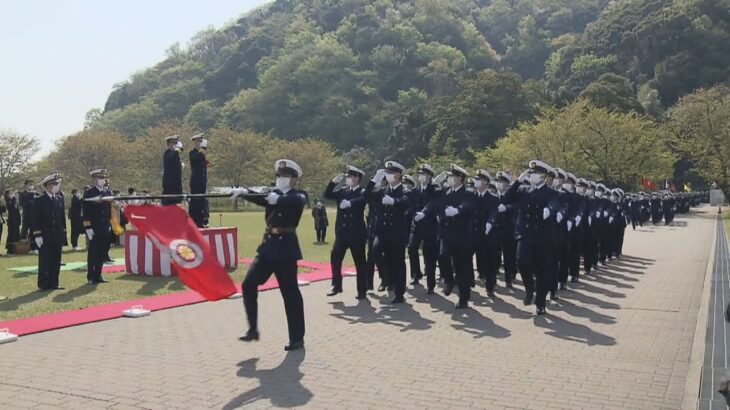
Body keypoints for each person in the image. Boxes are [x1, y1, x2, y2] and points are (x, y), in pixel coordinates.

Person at [232, 159, 307, 351]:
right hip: (267, 248)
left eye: (286, 176)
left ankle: (297, 338)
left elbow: (297, 202)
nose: (281, 179)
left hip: (286, 250)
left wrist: (279, 199)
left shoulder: (298, 195)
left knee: (290, 294)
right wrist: (244, 193)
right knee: (248, 284)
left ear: (293, 179)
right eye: (280, 176)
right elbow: (260, 197)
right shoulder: (270, 194)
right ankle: (252, 329)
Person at [503, 160, 560, 315]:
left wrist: (549, 210)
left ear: (542, 176)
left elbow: (554, 203)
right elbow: (505, 198)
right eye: (530, 173)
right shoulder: (523, 190)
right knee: (522, 262)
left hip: (543, 237)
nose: (532, 176)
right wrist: (517, 181)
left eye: (534, 173)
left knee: (542, 271)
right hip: (525, 235)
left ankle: (540, 304)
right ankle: (529, 287)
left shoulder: (551, 193)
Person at [364, 161, 411, 304]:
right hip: (382, 232)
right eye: (387, 173)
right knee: (376, 251)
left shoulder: (405, 191)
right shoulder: (383, 190)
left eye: (391, 172)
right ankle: (385, 277)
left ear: (398, 174)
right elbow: (367, 196)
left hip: (397, 233)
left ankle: (399, 293)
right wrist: (373, 181)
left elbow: (406, 203)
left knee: (397, 262)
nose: (389, 175)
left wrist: (394, 202)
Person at [324, 165, 368, 299]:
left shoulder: (362, 191)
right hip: (342, 233)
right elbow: (327, 195)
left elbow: (362, 200)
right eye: (347, 176)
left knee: (360, 262)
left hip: (356, 233)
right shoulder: (342, 191)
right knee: (335, 257)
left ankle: (362, 290)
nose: (348, 179)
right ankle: (336, 285)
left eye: (350, 176)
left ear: (357, 178)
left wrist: (350, 203)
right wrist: (332, 183)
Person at [433, 164, 474, 308]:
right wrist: (435, 181)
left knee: (461, 267)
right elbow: (430, 193)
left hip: (461, 236)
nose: (450, 179)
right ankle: (449, 280)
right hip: (446, 233)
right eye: (449, 176)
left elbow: (468, 205)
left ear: (460, 179)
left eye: (453, 176)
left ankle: (464, 298)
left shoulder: (468, 193)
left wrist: (458, 210)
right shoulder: (445, 191)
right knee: (442, 257)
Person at [407, 165, 441, 293]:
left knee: (429, 255)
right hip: (416, 226)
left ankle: (430, 284)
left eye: (425, 174)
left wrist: (424, 212)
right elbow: (410, 203)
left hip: (429, 227)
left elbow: (433, 203)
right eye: (420, 174)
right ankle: (416, 274)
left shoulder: (434, 190)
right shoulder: (415, 191)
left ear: (429, 177)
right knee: (411, 248)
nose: (421, 176)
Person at [31, 173, 67, 291]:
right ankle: (43, 283)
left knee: (56, 260)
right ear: (48, 186)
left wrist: (63, 235)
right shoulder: (39, 200)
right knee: (45, 260)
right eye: (55, 184)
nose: (57, 186)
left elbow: (62, 219)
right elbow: (35, 218)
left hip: (56, 235)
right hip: (45, 235)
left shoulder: (60, 199)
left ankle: (54, 283)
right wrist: (37, 234)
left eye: (58, 184)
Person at [472, 169, 500, 298]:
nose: (477, 182)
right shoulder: (472, 196)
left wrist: (490, 222)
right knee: (465, 258)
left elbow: (495, 212)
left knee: (490, 263)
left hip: (488, 234)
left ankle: (490, 287)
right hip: (474, 232)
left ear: (486, 182)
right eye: (476, 179)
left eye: (480, 180)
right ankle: (468, 281)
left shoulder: (493, 198)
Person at [83, 169, 112, 285]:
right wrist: (88, 227)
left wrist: (110, 224)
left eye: (103, 178)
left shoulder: (107, 192)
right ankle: (91, 276)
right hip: (94, 227)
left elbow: (109, 210)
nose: (102, 180)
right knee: (93, 252)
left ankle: (98, 274)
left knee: (102, 252)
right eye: (100, 178)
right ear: (94, 179)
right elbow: (85, 211)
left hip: (105, 226)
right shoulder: (89, 193)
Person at [493, 171, 518, 288]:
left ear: (507, 184)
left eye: (502, 182)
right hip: (495, 230)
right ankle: (492, 279)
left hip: (508, 230)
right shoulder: (493, 195)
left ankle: (509, 279)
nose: (500, 184)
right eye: (498, 182)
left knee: (509, 256)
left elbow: (515, 207)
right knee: (494, 255)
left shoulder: (512, 195)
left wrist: (506, 208)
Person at [189, 133, 210, 228]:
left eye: (201, 141)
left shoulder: (202, 154)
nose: (200, 143)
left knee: (202, 201)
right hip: (196, 181)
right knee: (195, 201)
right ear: (194, 142)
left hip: (202, 181)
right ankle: (195, 221)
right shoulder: (193, 153)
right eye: (198, 141)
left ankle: (202, 220)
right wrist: (201, 151)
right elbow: (194, 160)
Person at [162, 135, 184, 206]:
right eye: (174, 143)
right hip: (170, 186)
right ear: (169, 144)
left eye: (176, 143)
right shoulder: (167, 153)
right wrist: (177, 150)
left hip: (177, 185)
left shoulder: (175, 155)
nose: (175, 144)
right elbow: (171, 158)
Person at [19, 179, 38, 255]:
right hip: (26, 215)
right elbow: (21, 204)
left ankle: (34, 248)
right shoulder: (22, 194)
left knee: (34, 232)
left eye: (32, 184)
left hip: (35, 215)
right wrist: (30, 201)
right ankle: (23, 248)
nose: (31, 186)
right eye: (29, 184)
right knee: (24, 231)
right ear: (25, 185)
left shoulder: (35, 193)